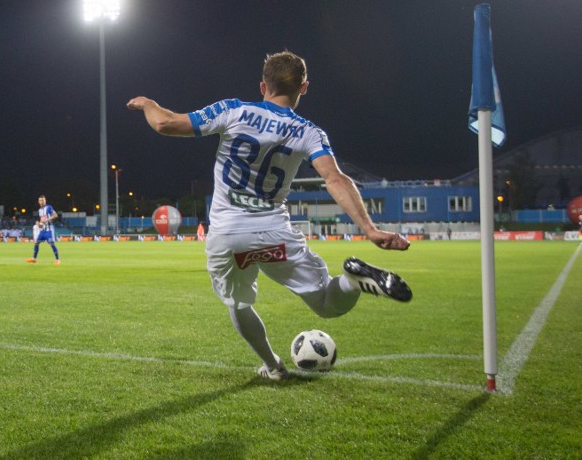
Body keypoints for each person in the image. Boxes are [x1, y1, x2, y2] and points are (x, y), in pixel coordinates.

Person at [126, 49, 412, 380]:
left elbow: (165, 123)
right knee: (327, 305)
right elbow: (335, 179)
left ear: (263, 86)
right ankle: (353, 280)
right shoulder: (309, 132)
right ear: (304, 87)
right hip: (274, 235)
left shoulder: (234, 110)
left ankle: (274, 366)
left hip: (227, 236)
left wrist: (147, 103)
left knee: (239, 304)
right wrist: (370, 229)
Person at [26, 195, 60, 264]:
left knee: (51, 244)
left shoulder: (48, 207)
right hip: (43, 230)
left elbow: (55, 215)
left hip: (49, 230)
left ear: (45, 201)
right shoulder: (40, 210)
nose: (41, 202)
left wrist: (47, 220)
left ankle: (57, 260)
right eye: (40, 200)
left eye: (43, 200)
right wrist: (39, 223)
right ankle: (34, 259)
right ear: (38, 202)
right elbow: (42, 221)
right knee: (36, 243)